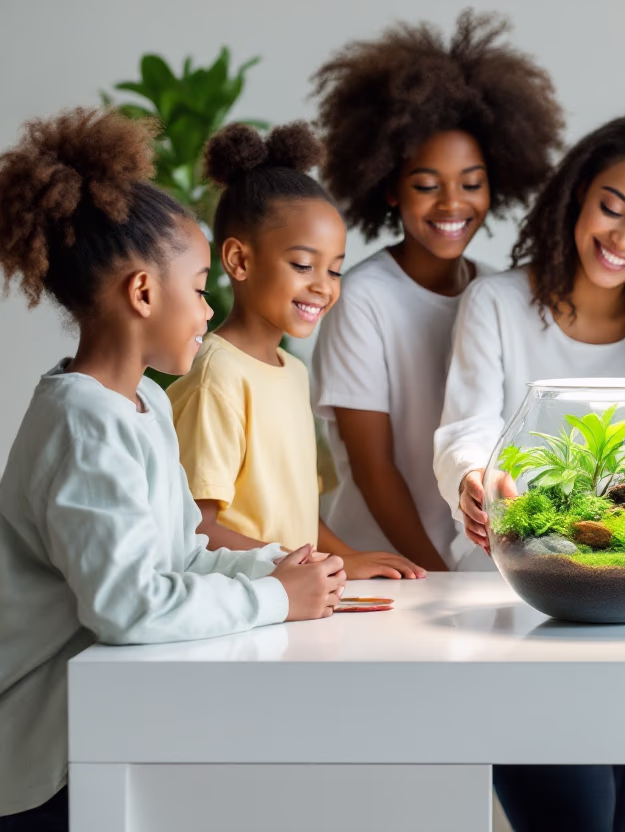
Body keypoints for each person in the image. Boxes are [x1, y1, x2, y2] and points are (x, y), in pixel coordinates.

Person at [0, 108, 345, 830]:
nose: (207, 308)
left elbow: (181, 552)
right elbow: (129, 606)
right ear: (143, 294)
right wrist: (278, 600)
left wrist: (284, 568)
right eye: (198, 288)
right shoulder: (81, 423)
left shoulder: (144, 408)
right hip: (45, 757)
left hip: (106, 720)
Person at [434, 107, 625, 832]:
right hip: (517, 592)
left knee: (612, 811)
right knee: (573, 814)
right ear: (577, 195)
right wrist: (480, 482)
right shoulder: (497, 303)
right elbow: (469, 426)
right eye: (613, 208)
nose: (624, 239)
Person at [310, 11, 564, 571]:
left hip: (473, 566)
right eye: (427, 185)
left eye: (471, 183)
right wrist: (435, 571)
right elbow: (373, 467)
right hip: (387, 565)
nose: (452, 204)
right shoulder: (362, 299)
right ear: (390, 190)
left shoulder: (496, 292)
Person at [168, 122, 423, 579]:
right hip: (242, 609)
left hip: (290, 602)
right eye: (303, 265)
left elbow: (295, 511)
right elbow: (197, 531)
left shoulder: (291, 370)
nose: (323, 287)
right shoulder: (217, 376)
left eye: (336, 270)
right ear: (239, 261)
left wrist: (343, 557)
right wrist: (305, 569)